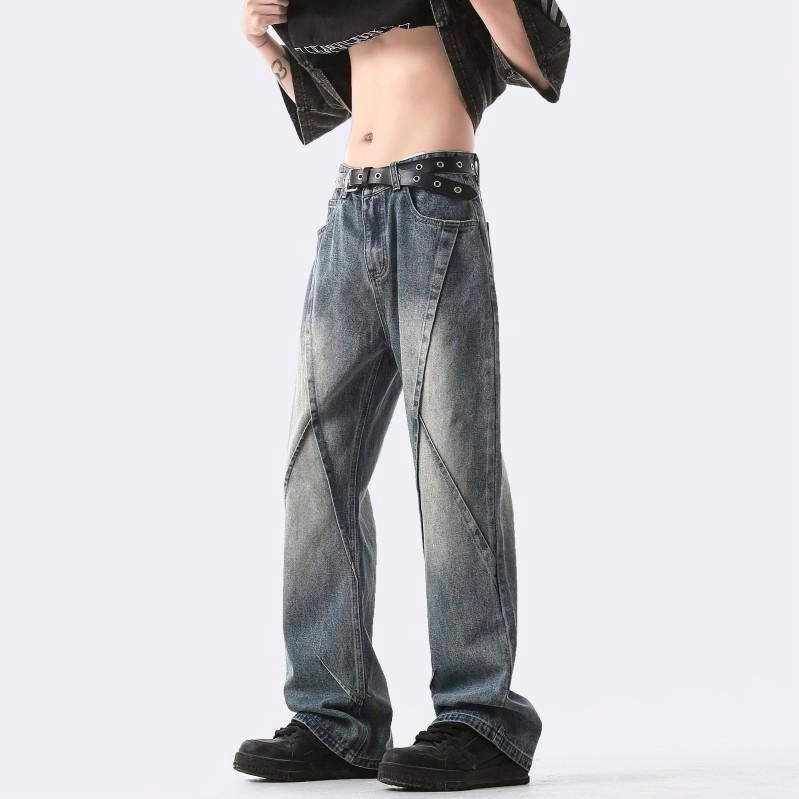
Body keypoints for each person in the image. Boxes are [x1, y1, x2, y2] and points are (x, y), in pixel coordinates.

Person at [233, 0, 570, 790]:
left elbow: (538, 59)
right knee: (315, 470)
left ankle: (482, 717)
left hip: (433, 203)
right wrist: (262, 43)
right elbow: (335, 101)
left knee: (453, 467)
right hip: (348, 209)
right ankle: (335, 716)